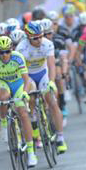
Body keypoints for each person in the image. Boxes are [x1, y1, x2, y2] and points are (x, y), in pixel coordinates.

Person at [16, 21, 68, 153]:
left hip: (43, 73)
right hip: (29, 76)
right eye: (35, 38)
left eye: (41, 36)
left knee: (52, 101)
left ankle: (61, 137)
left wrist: (51, 82)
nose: (39, 39)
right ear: (28, 38)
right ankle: (33, 120)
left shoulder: (47, 43)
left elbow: (51, 65)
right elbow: (22, 73)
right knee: (31, 98)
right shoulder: (21, 48)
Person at [0, 36, 37, 167]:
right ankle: (5, 123)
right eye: (1, 52)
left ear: (12, 49)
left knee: (23, 113)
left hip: (18, 84)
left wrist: (24, 93)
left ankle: (31, 151)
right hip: (3, 83)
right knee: (3, 97)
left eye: (7, 51)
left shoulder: (17, 57)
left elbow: (26, 79)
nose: (5, 55)